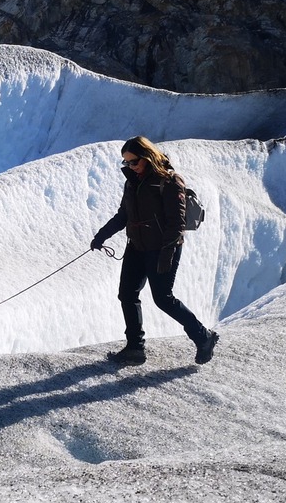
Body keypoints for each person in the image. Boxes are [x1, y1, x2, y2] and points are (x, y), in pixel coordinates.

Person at [91, 137, 219, 366]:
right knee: (127, 294)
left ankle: (203, 336)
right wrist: (101, 235)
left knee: (163, 299)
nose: (130, 167)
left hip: (162, 249)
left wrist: (166, 255)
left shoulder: (169, 181)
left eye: (133, 162)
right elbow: (124, 215)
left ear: (148, 157)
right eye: (126, 163)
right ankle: (135, 348)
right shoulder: (132, 181)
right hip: (137, 247)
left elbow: (176, 224)